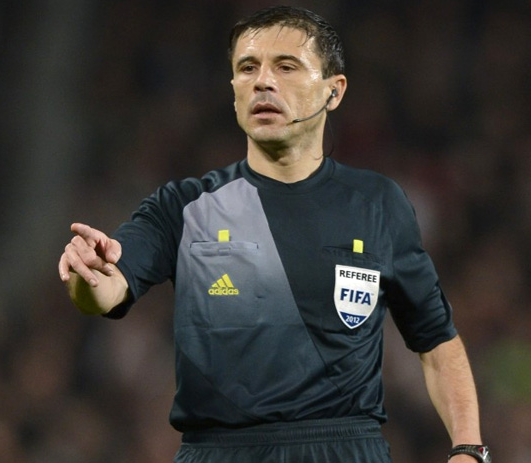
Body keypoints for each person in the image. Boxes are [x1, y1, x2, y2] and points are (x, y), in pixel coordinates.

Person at [58, 6, 490, 463]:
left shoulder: (378, 204)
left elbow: (435, 340)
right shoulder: (184, 206)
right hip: (221, 452)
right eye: (248, 68)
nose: (263, 81)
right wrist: (88, 277)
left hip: (344, 451)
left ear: (334, 91)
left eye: (286, 66)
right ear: (234, 92)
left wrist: (469, 448)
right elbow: (106, 288)